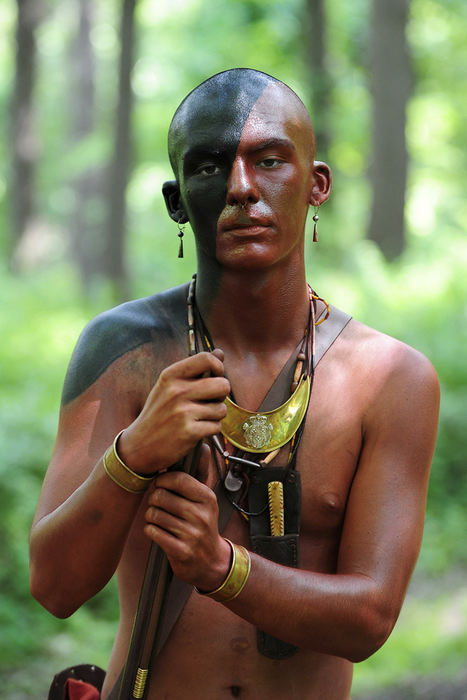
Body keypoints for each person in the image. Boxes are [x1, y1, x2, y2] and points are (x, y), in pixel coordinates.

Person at [30, 68, 440, 699]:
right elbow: (55, 588)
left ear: (316, 184)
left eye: (270, 160)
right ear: (176, 201)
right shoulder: (125, 353)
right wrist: (133, 455)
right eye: (209, 167)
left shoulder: (390, 379)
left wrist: (221, 567)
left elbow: (370, 619)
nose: (242, 188)